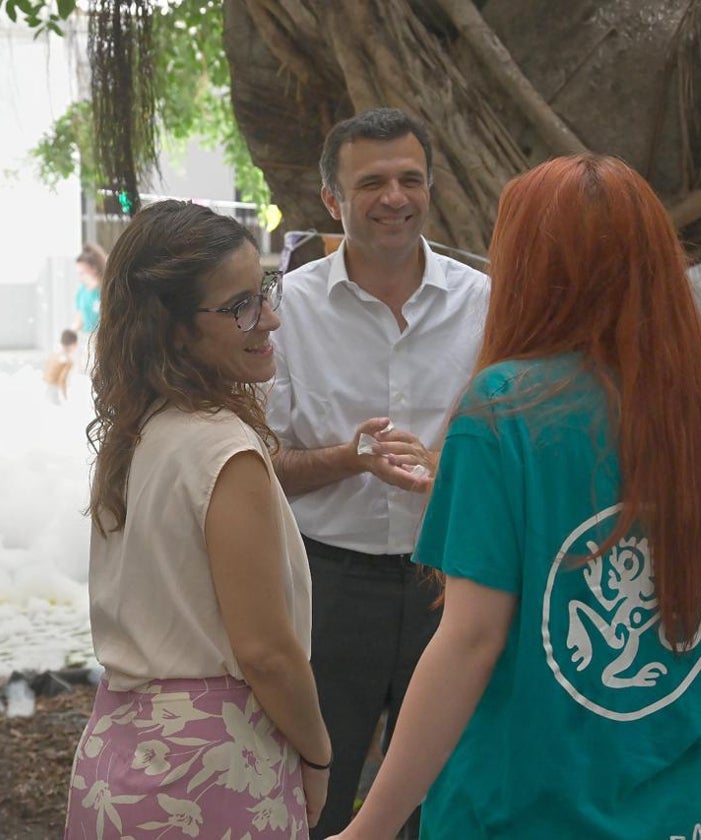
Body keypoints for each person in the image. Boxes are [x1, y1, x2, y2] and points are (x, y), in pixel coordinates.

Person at [331, 155, 701, 840]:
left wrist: (369, 827)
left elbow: (469, 641)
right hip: (682, 815)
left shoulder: (501, 412)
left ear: (529, 269)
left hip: (522, 813)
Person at [64, 200, 331, 838]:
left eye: (264, 291)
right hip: (211, 769)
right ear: (176, 329)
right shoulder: (224, 451)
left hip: (115, 756)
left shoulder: (139, 431)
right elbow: (266, 652)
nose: (268, 318)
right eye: (239, 305)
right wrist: (318, 752)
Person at [265, 107, 489, 837]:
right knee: (313, 783)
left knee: (446, 791)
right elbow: (254, 465)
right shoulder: (287, 310)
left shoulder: (484, 304)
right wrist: (345, 460)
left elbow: (510, 447)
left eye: (409, 179)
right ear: (332, 201)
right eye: (372, 183)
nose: (394, 197)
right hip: (330, 585)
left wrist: (449, 468)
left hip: (450, 586)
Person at [72, 242, 105, 368]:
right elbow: (80, 316)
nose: (80, 277)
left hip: (102, 339)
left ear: (94, 269)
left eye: (82, 273)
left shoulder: (104, 292)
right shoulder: (82, 291)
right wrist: (70, 335)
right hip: (86, 339)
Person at [43, 327, 78, 404]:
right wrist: (65, 397)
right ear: (74, 344)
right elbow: (62, 380)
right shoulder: (68, 361)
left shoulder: (54, 355)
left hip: (45, 386)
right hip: (54, 390)